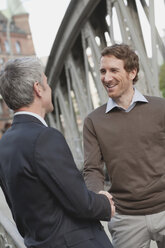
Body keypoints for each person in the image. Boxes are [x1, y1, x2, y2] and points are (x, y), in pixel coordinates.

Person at [0, 57, 115, 248]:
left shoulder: (4, 145)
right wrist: (105, 202)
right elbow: (80, 202)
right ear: (38, 88)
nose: (50, 87)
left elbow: (19, 212)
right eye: (47, 82)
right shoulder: (45, 137)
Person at [83, 43, 165, 248]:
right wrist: (97, 194)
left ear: (132, 72)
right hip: (126, 218)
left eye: (113, 70)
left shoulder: (160, 108)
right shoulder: (93, 121)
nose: (106, 78)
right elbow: (92, 169)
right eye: (103, 71)